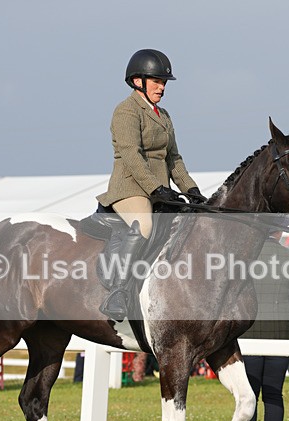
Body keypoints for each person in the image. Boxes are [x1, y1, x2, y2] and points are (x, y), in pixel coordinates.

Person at [95, 49, 206, 321]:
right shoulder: (126, 111)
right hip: (130, 187)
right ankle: (118, 292)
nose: (162, 87)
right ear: (137, 81)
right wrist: (155, 188)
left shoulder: (164, 115)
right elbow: (131, 155)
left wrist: (192, 190)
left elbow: (174, 158)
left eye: (164, 82)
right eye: (156, 81)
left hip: (160, 190)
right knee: (144, 225)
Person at [233, 231, 289, 421]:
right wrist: (284, 318)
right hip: (282, 334)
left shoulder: (244, 256)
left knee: (248, 394)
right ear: (279, 232)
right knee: (274, 394)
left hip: (249, 333)